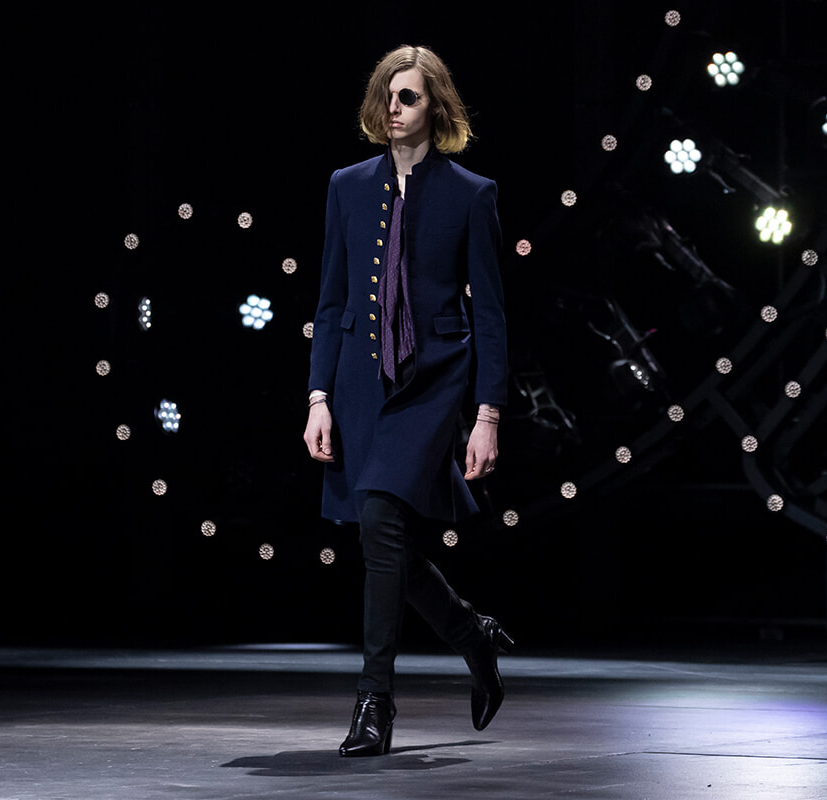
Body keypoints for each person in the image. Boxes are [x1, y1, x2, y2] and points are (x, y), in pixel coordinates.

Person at [303, 44, 512, 758]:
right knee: (382, 535)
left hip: (431, 384)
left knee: (382, 522)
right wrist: (318, 396)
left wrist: (487, 414)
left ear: (436, 106)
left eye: (410, 96)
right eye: (388, 96)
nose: (394, 108)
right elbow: (331, 300)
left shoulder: (471, 193)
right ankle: (473, 635)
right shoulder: (348, 185)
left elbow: (491, 313)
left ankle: (374, 701)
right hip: (360, 384)